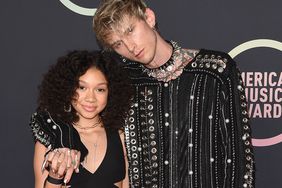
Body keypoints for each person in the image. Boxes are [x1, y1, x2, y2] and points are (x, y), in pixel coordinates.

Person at [93, 0, 255, 187]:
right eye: (118, 43)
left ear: (149, 18)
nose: (130, 46)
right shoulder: (123, 83)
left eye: (130, 30)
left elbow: (239, 156)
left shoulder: (215, 70)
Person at [30, 50, 132, 188]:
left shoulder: (120, 136)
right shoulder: (50, 137)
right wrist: (55, 176)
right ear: (67, 88)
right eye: (82, 87)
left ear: (111, 92)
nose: (90, 98)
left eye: (100, 89)